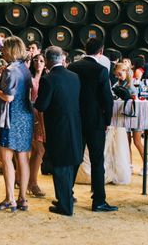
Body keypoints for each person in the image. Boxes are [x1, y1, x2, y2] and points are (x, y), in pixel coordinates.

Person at [67, 38, 118, 212]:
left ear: (84, 49)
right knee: (97, 161)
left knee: (74, 158)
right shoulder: (101, 70)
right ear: (101, 51)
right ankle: (98, 201)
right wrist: (107, 120)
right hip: (95, 122)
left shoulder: (72, 67)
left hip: (75, 119)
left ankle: (67, 194)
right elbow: (107, 99)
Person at [34, 46, 83, 216]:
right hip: (75, 124)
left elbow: (42, 105)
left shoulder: (48, 79)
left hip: (57, 126)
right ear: (61, 59)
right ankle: (65, 198)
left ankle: (65, 206)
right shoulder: (74, 77)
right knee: (69, 163)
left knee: (60, 165)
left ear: (47, 60)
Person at [0, 36, 32, 212]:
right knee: (22, 158)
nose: (2, 52)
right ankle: (22, 198)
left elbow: (8, 97)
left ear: (10, 50)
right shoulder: (24, 69)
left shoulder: (10, 70)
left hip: (11, 117)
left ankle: (10, 199)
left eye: (4, 49)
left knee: (6, 158)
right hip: (26, 116)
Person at [28, 53, 47, 197]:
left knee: (37, 151)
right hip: (31, 116)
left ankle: (22, 178)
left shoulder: (47, 78)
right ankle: (33, 184)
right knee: (38, 150)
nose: (38, 63)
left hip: (44, 117)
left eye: (41, 61)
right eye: (36, 60)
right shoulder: (30, 79)